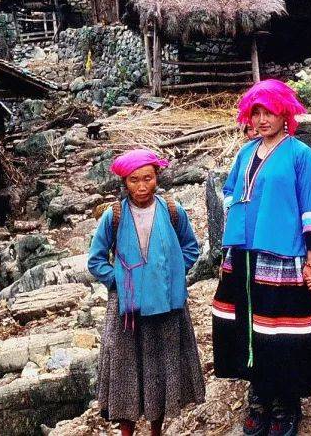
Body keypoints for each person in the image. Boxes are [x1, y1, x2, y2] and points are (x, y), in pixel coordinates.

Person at [212, 79, 311, 436]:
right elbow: (231, 193)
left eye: (269, 112)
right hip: (244, 253)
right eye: (255, 112)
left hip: (282, 252)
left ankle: (286, 400)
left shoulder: (299, 154)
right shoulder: (246, 153)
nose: (261, 120)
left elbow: (309, 207)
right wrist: (229, 246)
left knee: (281, 328)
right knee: (249, 325)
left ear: (285, 114)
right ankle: (259, 392)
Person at [87, 150, 204, 436]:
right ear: (124, 183)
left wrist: (174, 273)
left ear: (157, 178)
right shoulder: (113, 216)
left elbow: (191, 247)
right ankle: (127, 431)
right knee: (126, 370)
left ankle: (156, 431)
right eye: (134, 180)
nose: (141, 187)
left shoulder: (173, 211)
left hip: (166, 305)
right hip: (128, 309)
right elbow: (96, 259)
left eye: (148, 179)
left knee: (160, 369)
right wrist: (117, 280)